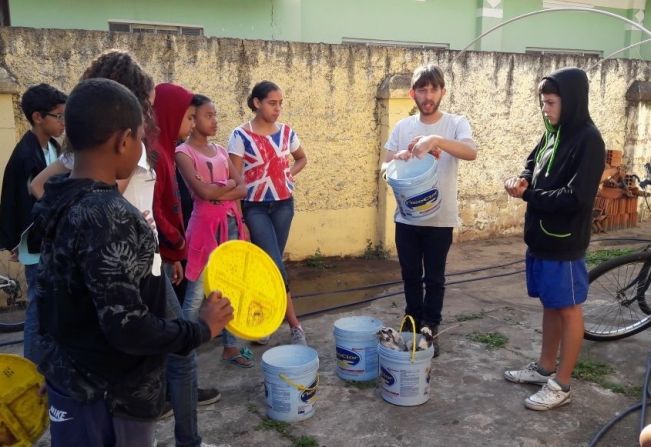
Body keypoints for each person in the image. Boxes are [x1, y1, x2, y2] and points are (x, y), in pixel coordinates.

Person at [31, 50, 219, 446]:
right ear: (123, 141)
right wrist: (200, 328)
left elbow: (49, 300)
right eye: (140, 133)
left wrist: (55, 366)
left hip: (73, 383)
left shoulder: (57, 199)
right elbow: (128, 327)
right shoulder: (109, 216)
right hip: (110, 399)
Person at [503, 67, 605, 411]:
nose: (545, 109)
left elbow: (577, 197)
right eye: (542, 103)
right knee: (551, 303)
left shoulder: (589, 140)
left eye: (550, 102)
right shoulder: (553, 133)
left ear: (571, 101)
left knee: (569, 309)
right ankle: (544, 367)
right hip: (541, 239)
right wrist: (521, 179)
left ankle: (562, 383)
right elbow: (532, 163)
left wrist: (528, 196)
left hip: (564, 243)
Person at [383, 64, 477, 357]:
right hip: (407, 217)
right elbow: (384, 167)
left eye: (433, 88)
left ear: (442, 92)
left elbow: (471, 152)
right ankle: (411, 323)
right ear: (412, 93)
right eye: (422, 89)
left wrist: (436, 140)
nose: (428, 95)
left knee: (434, 277)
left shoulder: (455, 123)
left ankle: (430, 327)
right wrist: (396, 159)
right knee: (410, 274)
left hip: (440, 218)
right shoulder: (403, 127)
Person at [228, 81, 308, 345]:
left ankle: (264, 320)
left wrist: (288, 175)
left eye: (280, 103)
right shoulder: (240, 136)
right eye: (272, 103)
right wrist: (240, 218)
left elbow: (301, 158)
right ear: (256, 103)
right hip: (255, 207)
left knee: (269, 266)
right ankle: (294, 325)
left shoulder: (286, 132)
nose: (278, 109)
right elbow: (236, 179)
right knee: (274, 264)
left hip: (284, 205)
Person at [176, 94, 253, 368]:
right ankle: (183, 352)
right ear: (192, 119)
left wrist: (219, 190)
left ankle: (230, 347)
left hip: (231, 225)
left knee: (230, 286)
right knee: (196, 294)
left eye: (215, 115)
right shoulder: (183, 153)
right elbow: (202, 193)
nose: (214, 121)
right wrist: (226, 186)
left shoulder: (220, 151)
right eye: (209, 115)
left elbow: (242, 187)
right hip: (204, 231)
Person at [0, 83, 66, 363]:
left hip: (53, 240)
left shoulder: (52, 147)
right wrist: (16, 241)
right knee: (38, 307)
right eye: (59, 116)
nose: (63, 122)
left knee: (52, 304)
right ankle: (33, 364)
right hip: (37, 244)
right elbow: (18, 202)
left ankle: (48, 361)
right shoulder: (25, 155)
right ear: (38, 117)